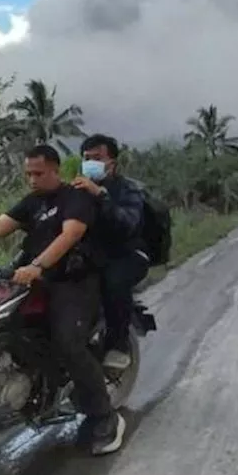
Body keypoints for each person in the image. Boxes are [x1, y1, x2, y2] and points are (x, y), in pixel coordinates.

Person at [0, 144, 126, 456]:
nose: (32, 179)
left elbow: (70, 235)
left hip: (73, 282)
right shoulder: (32, 202)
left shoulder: (75, 197)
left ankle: (104, 415)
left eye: (38, 173)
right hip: (34, 280)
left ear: (55, 170)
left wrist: (38, 266)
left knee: (68, 342)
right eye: (28, 174)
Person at [72, 134, 149, 371]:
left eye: (97, 158)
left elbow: (128, 223)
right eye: (87, 158)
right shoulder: (77, 189)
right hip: (92, 254)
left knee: (113, 281)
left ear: (112, 163)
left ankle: (119, 345)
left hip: (127, 254)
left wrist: (101, 195)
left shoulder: (128, 190)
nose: (90, 163)